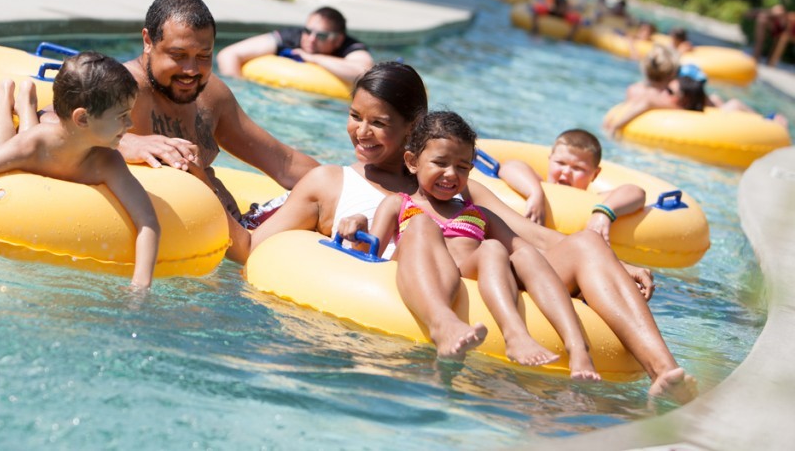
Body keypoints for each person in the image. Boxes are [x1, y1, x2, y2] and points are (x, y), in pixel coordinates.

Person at [233, 61, 695, 402]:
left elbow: (529, 238)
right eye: (356, 116)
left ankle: (665, 374)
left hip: (489, 278)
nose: (362, 132)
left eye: (379, 123)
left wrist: (618, 262)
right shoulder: (331, 183)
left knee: (589, 243)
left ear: (415, 129)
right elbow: (255, 248)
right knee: (421, 233)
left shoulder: (456, 184)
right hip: (418, 293)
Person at [358, 111, 601, 377]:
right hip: (423, 273)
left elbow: (528, 252)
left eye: (463, 167)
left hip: (468, 271)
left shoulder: (476, 213)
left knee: (496, 248)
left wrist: (582, 280)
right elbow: (370, 258)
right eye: (440, 163)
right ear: (412, 161)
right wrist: (355, 228)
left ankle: (524, 336)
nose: (451, 174)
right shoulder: (399, 204)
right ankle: (444, 326)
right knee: (421, 224)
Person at [116, 0, 320, 259]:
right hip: (166, 249)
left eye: (203, 56)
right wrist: (129, 141)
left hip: (226, 241)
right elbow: (52, 120)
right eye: (178, 55)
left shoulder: (211, 95)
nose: (191, 70)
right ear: (148, 41)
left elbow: (284, 163)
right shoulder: (121, 86)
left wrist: (348, 187)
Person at [0, 52, 161, 288]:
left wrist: (140, 285)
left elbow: (147, 221)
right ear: (83, 119)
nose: (131, 124)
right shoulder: (33, 146)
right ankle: (6, 96)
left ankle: (27, 102)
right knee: (3, 147)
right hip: (37, 143)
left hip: (53, 139)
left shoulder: (108, 162)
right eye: (122, 116)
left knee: (25, 136)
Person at [498, 129, 646, 244]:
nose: (566, 172)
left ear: (595, 174)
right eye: (560, 163)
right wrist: (535, 193)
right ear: (550, 160)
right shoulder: (537, 185)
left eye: (578, 168)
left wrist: (604, 213)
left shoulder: (597, 201)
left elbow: (637, 192)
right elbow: (509, 166)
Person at [605, 62, 789, 134]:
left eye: (670, 91)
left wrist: (614, 126)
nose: (664, 93)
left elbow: (646, 102)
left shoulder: (669, 103)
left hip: (712, 121)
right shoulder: (675, 103)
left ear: (684, 99)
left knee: (730, 103)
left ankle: (771, 121)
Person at [216, 7, 373, 85]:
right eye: (307, 31)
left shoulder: (350, 47)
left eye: (321, 36)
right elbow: (228, 54)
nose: (310, 39)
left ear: (338, 40)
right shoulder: (292, 37)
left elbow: (365, 74)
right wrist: (237, 90)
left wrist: (313, 59)